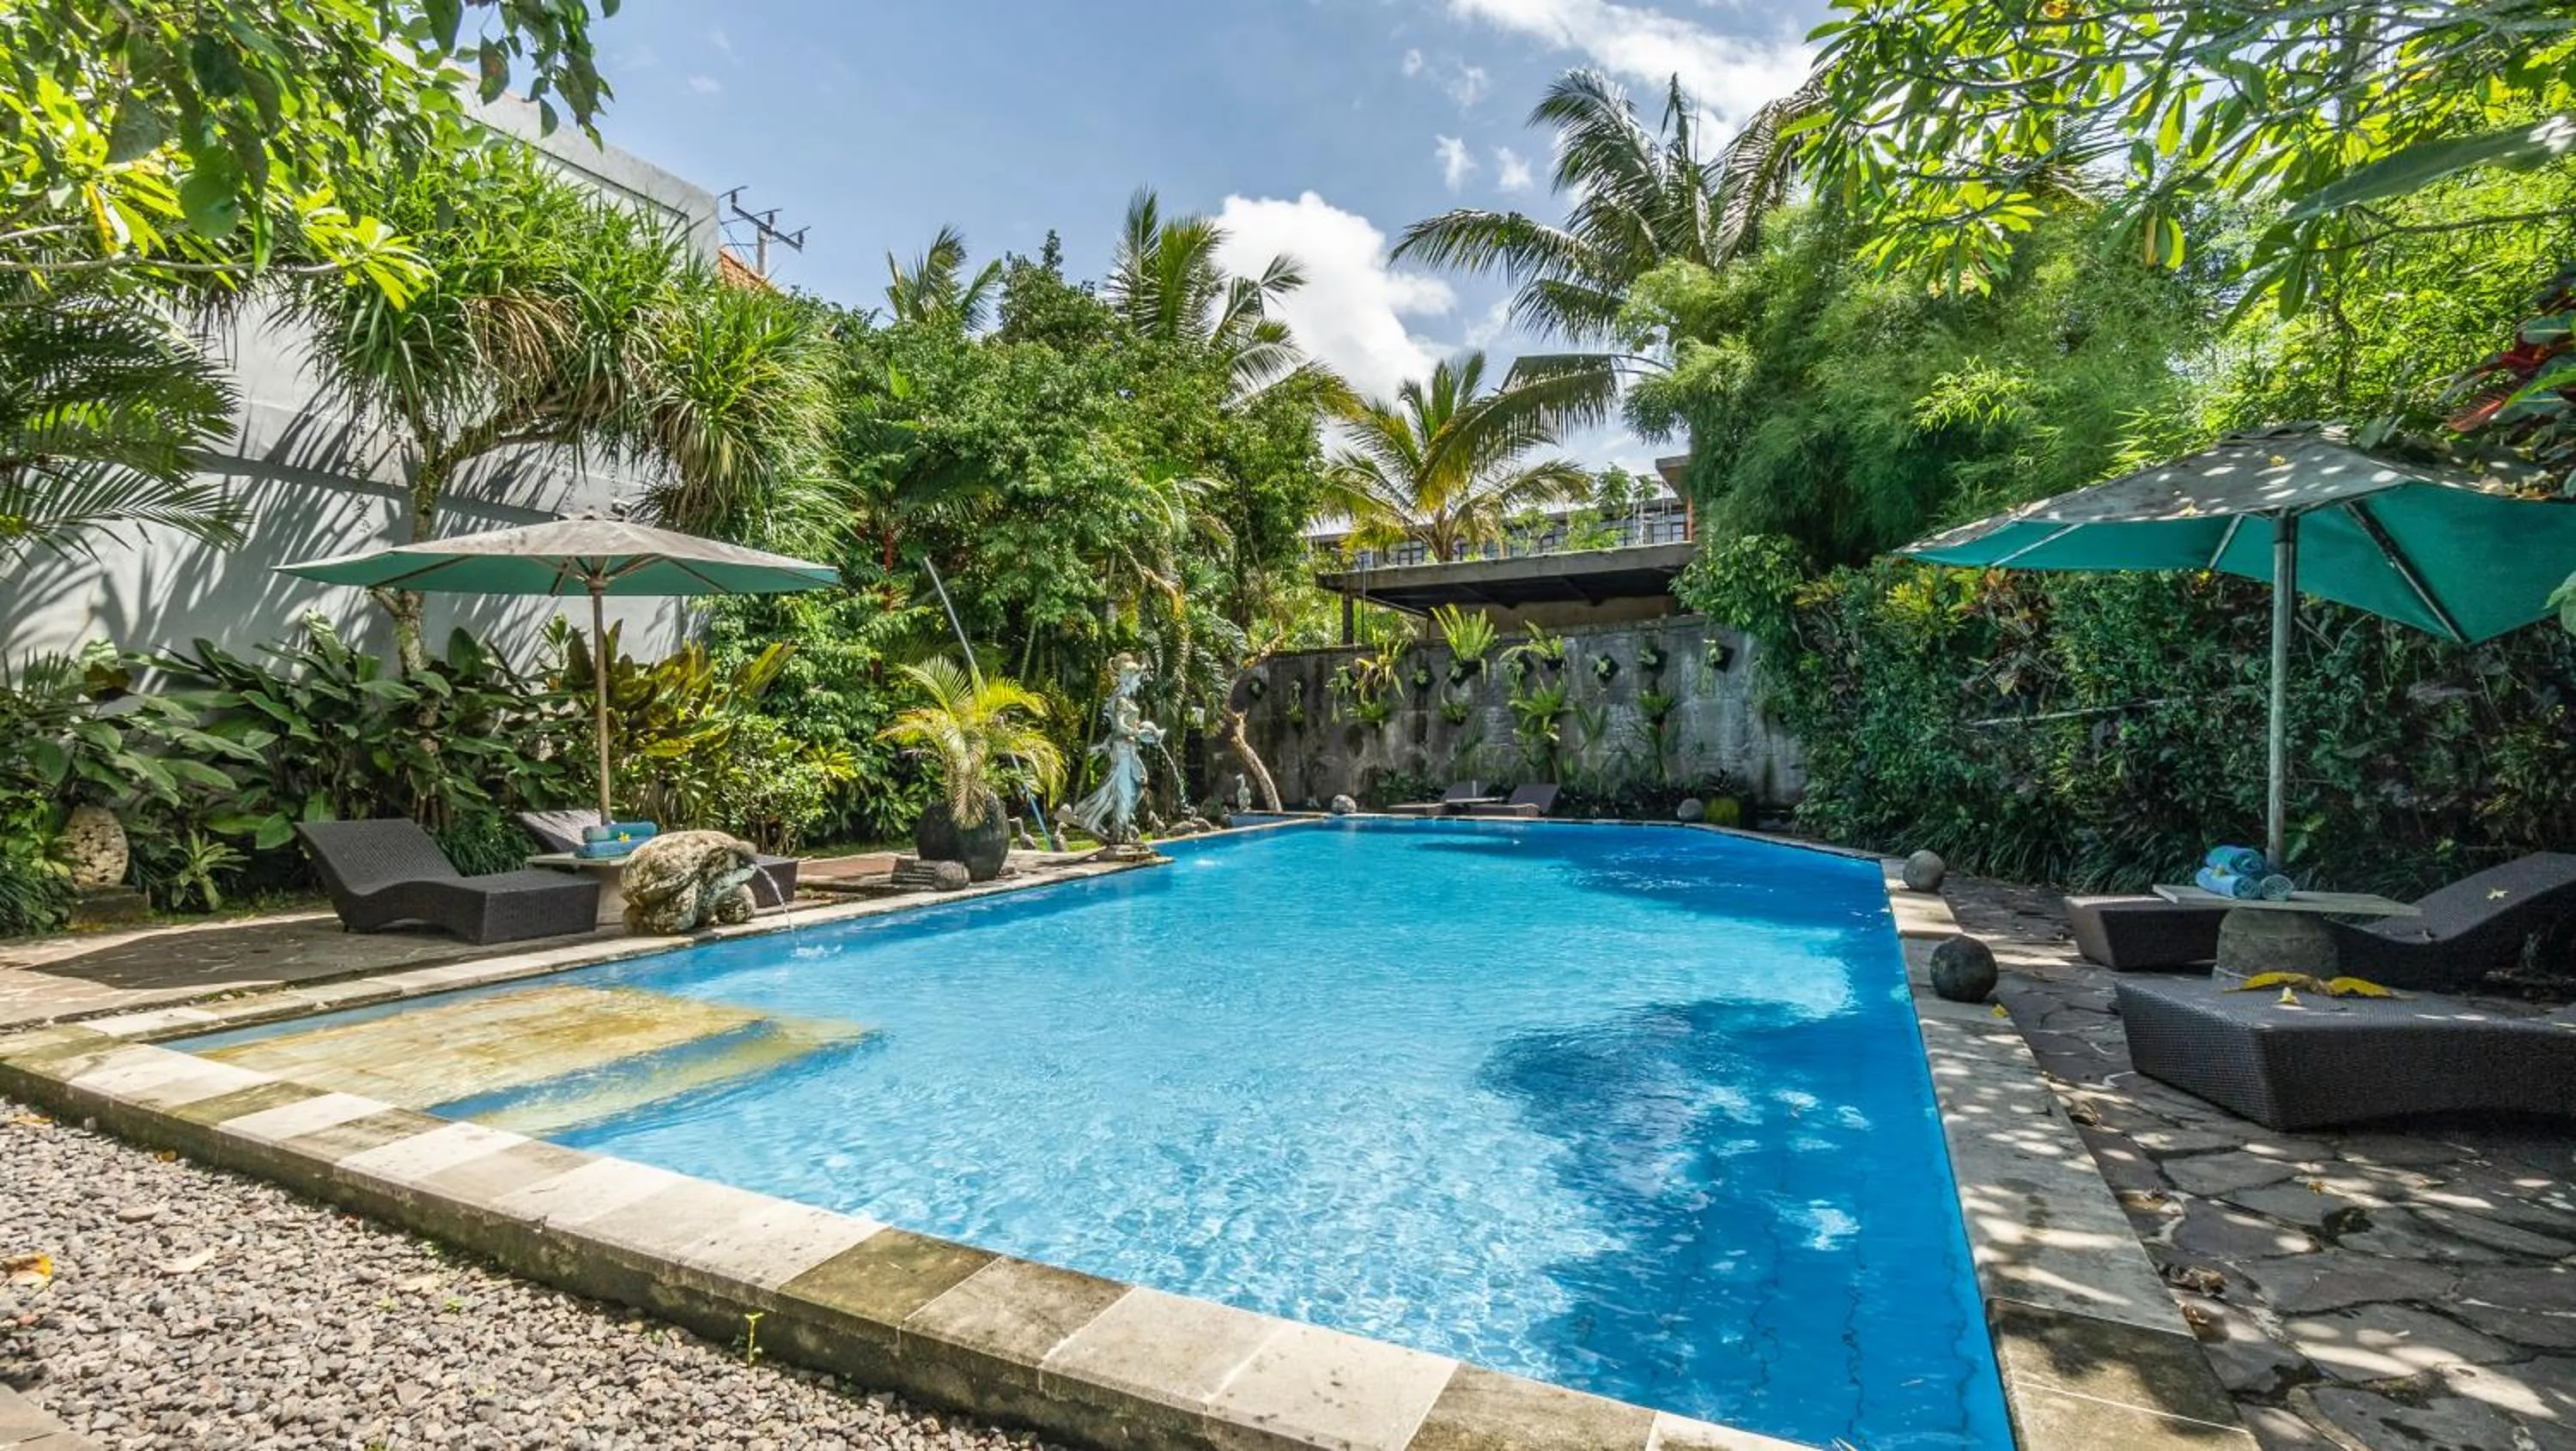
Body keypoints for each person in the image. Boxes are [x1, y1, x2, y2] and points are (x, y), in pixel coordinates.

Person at [1068, 653, 1163, 846]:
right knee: (1124, 792)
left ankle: (1116, 826)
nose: (1139, 683)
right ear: (1129, 678)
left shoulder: (1126, 699)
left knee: (1138, 785)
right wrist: (1139, 732)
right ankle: (1119, 833)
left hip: (1129, 750)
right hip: (1122, 752)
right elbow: (1119, 727)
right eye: (1137, 679)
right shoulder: (1120, 700)